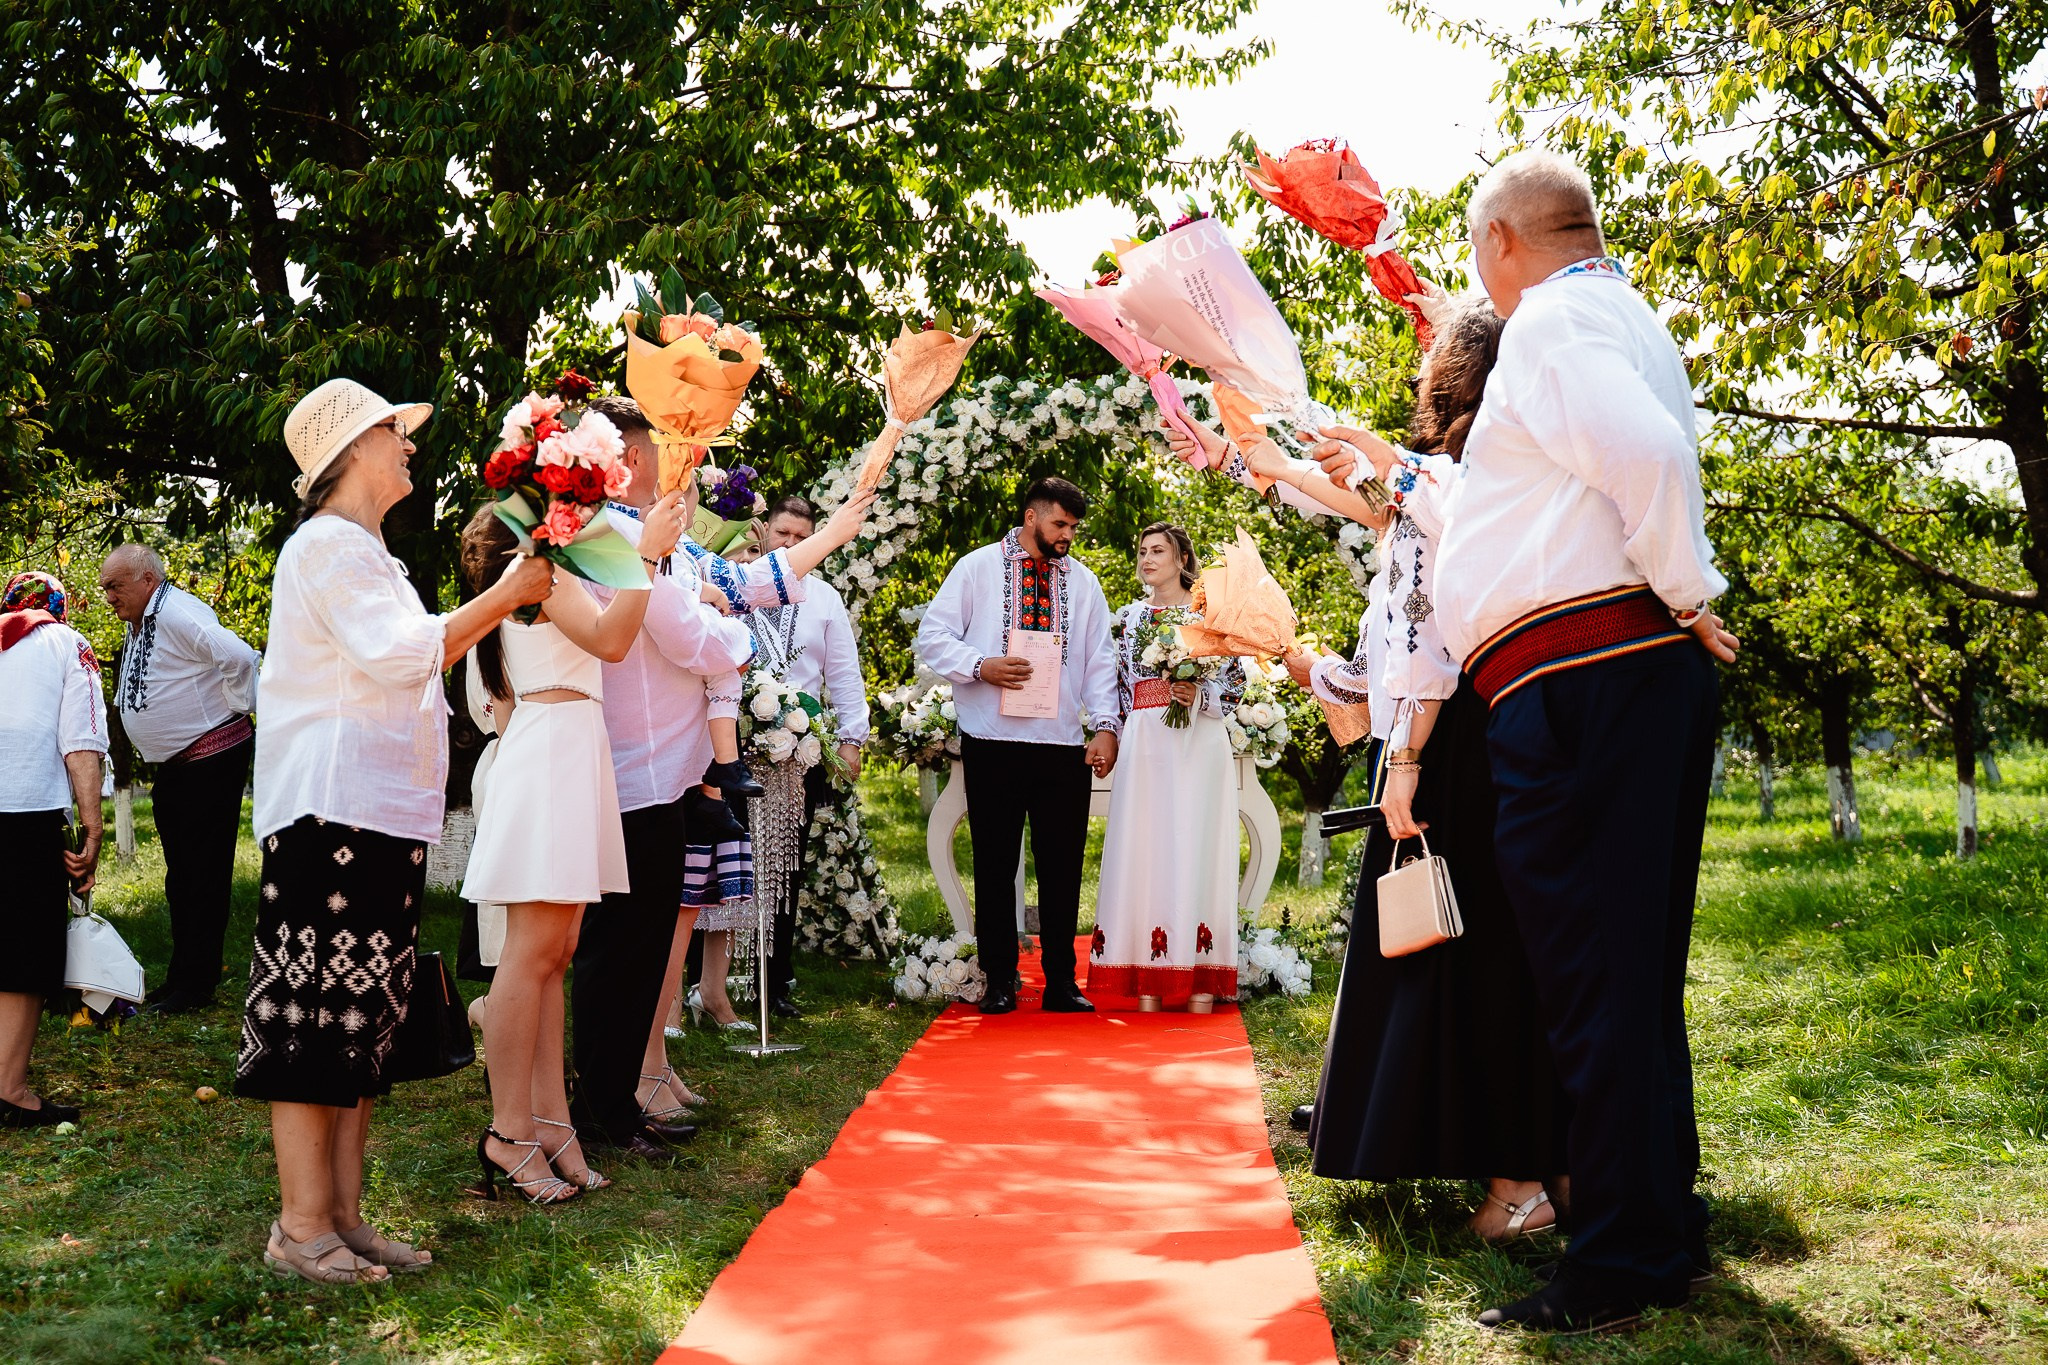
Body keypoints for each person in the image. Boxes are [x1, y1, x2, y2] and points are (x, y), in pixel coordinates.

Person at [1428, 151, 1735, 1334]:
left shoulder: (1552, 321)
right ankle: (1657, 1227)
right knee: (1628, 976)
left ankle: (1616, 1258)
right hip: (1605, 677)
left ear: (1500, 239)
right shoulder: (1623, 317)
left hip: (1581, 682)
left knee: (1591, 978)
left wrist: (1685, 590)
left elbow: (1647, 459)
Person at [237, 377, 552, 1284]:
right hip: (328, 813)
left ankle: (343, 1216)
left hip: (376, 814)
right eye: (393, 431)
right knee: (314, 1019)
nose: (409, 444)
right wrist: (507, 594)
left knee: (361, 1019)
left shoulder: (370, 552)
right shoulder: (326, 546)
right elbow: (399, 653)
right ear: (349, 452)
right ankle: (301, 1225)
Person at [566, 395, 871, 1153]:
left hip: (667, 774)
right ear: (633, 458)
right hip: (635, 771)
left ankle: (618, 1098)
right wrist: (731, 637)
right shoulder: (611, 533)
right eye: (669, 444)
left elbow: (746, 585)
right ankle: (602, 1106)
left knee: (642, 949)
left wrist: (834, 532)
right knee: (622, 950)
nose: (686, 457)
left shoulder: (650, 533)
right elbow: (693, 637)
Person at [458, 480, 682, 1202]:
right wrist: (645, 558)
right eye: (574, 504)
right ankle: (508, 1130)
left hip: (572, 747)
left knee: (556, 956)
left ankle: (552, 1122)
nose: (586, 515)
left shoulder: (553, 572)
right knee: (530, 956)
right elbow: (613, 641)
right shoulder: (539, 572)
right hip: (551, 751)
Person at [915, 476, 1121, 1015]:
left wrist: (1105, 726)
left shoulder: (1084, 583)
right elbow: (932, 636)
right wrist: (979, 665)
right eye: (1059, 524)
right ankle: (1000, 979)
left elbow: (1101, 660)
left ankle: (1061, 983)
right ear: (1031, 517)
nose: (1067, 535)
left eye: (1073, 527)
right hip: (992, 740)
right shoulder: (978, 567)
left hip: (1061, 743)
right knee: (994, 862)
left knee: (1063, 866)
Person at [98, 543, 262, 1014]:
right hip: (180, 766)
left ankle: (196, 985)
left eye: (115, 586)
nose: (109, 596)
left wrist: (235, 706)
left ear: (147, 579)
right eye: (105, 587)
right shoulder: (144, 617)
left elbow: (239, 656)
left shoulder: (177, 613)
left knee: (203, 874)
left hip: (210, 758)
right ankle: (182, 976)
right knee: (182, 876)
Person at [1087, 522, 1244, 1008]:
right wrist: (1109, 733)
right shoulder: (1128, 619)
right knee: (1145, 846)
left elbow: (1236, 684)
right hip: (1145, 742)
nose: (1147, 559)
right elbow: (1115, 685)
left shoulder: (1209, 614)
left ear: (1182, 560)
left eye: (1158, 551)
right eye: (1142, 551)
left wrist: (1200, 694)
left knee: (1196, 842)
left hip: (1199, 742)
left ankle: (1201, 980)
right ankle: (1146, 978)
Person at [736, 494, 870, 1019]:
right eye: (782, 534)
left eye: (801, 537)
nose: (789, 544)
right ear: (764, 532)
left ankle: (775, 980)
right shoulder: (738, 585)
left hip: (799, 753)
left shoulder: (824, 598)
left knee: (785, 868)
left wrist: (851, 739)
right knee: (730, 862)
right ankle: (715, 981)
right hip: (732, 747)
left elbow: (844, 674)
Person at [0, 573, 105, 1127]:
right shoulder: (68, 644)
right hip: (25, 813)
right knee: (24, 951)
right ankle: (9, 1091)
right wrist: (92, 827)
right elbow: (81, 742)